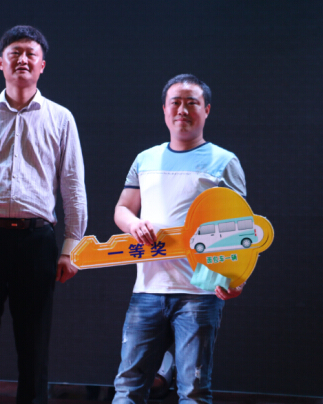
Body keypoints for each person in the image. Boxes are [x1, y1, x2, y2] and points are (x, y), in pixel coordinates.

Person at [0, 26, 87, 404]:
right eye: (15, 53)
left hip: (36, 241)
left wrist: (70, 247)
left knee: (34, 349)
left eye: (30, 54)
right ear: (1, 63)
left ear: (42, 65)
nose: (22, 59)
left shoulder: (61, 118)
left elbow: (73, 187)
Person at [112, 74, 247, 404]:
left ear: (206, 109)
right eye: (175, 102)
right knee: (128, 386)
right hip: (147, 289)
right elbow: (122, 209)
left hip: (200, 291)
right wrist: (134, 224)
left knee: (193, 391)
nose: (182, 110)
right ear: (164, 109)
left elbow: (240, 230)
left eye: (192, 103)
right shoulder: (145, 159)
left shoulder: (224, 161)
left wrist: (237, 278)